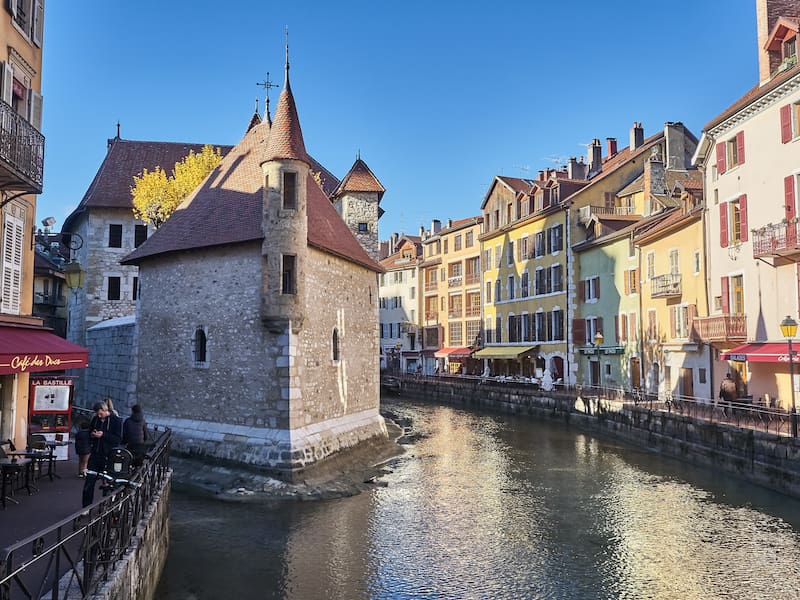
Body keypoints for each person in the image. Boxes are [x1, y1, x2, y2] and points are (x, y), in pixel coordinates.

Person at [82, 401, 123, 507]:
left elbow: (117, 439)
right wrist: (92, 434)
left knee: (108, 483)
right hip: (96, 454)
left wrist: (103, 435)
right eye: (97, 414)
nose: (99, 416)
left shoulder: (116, 421)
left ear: (106, 410)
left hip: (108, 456)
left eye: (101, 414)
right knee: (89, 482)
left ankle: (107, 505)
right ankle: (86, 507)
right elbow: (89, 431)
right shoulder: (95, 419)